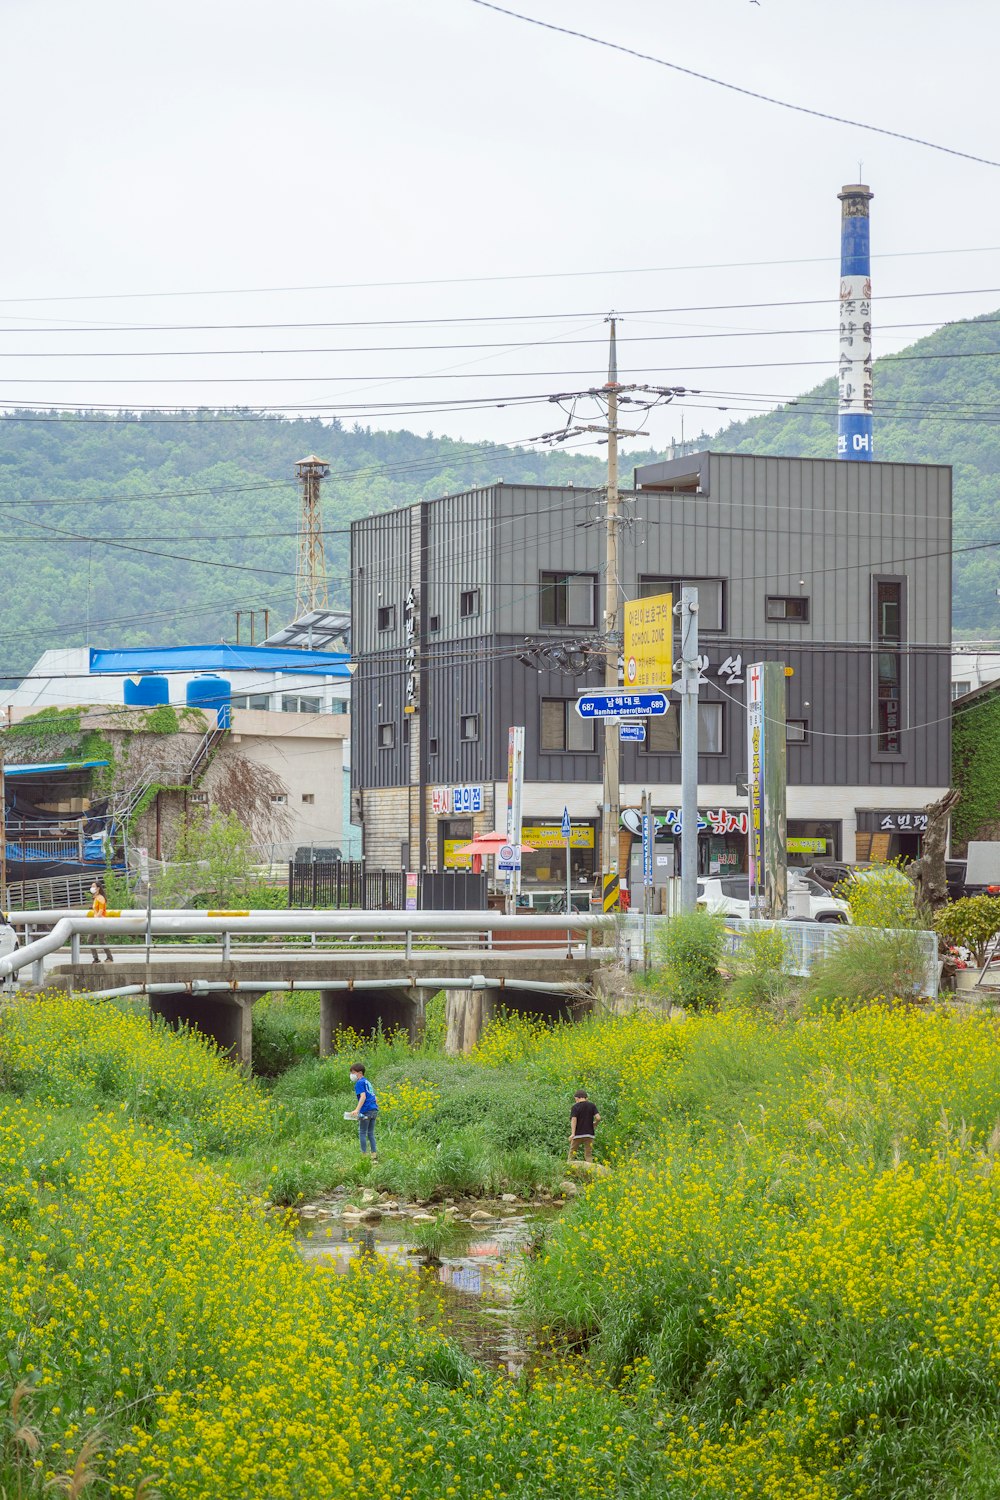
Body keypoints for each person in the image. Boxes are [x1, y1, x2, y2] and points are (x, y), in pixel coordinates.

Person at [347, 1063, 378, 1160]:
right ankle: (374, 1154)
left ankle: (364, 1155)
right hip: (374, 1109)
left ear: (359, 1073)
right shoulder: (367, 1082)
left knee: (362, 1132)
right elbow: (375, 1097)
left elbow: (363, 1096)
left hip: (366, 1110)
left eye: (353, 1072)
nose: (351, 1075)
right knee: (370, 1133)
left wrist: (357, 1109)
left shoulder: (359, 1083)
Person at [568, 1088, 600, 1163]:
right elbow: (598, 1118)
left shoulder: (575, 1107)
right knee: (588, 1154)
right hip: (589, 1134)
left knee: (572, 1153)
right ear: (586, 1098)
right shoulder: (592, 1105)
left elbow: (573, 1120)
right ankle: (591, 1171)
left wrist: (573, 1133)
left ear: (577, 1098)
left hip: (578, 1134)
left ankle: (568, 1167)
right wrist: (595, 1123)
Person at [87, 881, 114, 964]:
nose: (92, 888)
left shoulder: (101, 898)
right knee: (89, 940)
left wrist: (96, 920)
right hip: (96, 921)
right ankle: (96, 958)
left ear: (98, 888)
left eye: (93, 886)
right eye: (91, 886)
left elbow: (101, 911)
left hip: (100, 921)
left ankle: (109, 957)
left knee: (101, 940)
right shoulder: (96, 897)